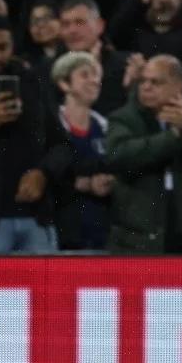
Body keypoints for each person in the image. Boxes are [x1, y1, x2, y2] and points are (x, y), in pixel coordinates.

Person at [103, 55, 182, 254]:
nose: (146, 87)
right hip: (138, 236)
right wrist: (173, 137)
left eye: (156, 82)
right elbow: (117, 155)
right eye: (143, 81)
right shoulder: (125, 117)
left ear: (177, 85)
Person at [0, 13, 53, 254]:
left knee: (47, 293)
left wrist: (43, 173)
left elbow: (61, 144)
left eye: (2, 47)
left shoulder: (32, 83)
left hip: (35, 219)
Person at [43, 51, 113, 251]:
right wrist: (80, 183)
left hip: (101, 229)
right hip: (60, 228)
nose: (94, 81)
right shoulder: (50, 126)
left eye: (96, 75)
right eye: (85, 75)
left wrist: (111, 182)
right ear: (64, 84)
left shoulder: (106, 126)